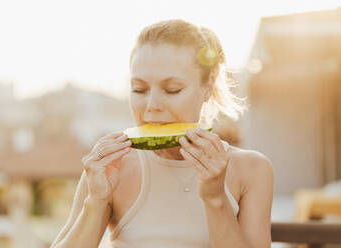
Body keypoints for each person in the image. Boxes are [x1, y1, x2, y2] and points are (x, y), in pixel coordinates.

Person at [50, 19, 273, 248]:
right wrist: (95, 201)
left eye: (172, 89)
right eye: (139, 89)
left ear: (207, 88)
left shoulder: (252, 170)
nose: (152, 105)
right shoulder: (109, 167)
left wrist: (216, 198)